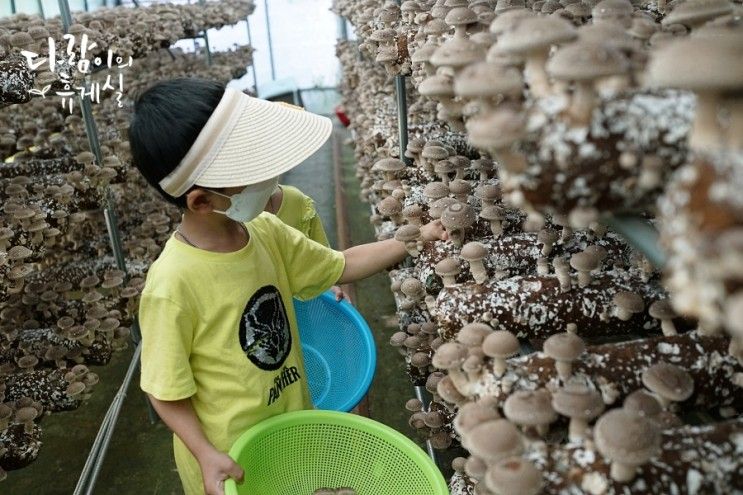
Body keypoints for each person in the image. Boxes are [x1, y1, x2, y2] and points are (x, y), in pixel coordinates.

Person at [127, 78, 447, 495]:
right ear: (202, 202)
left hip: (293, 423)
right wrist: (205, 453)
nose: (270, 177)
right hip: (232, 455)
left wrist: (414, 239)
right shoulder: (172, 285)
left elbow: (341, 264)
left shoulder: (265, 230)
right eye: (251, 173)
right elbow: (165, 390)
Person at [266, 183, 346, 301]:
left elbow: (322, 255)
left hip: (302, 303)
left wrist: (328, 284)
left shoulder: (295, 202)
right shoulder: (235, 221)